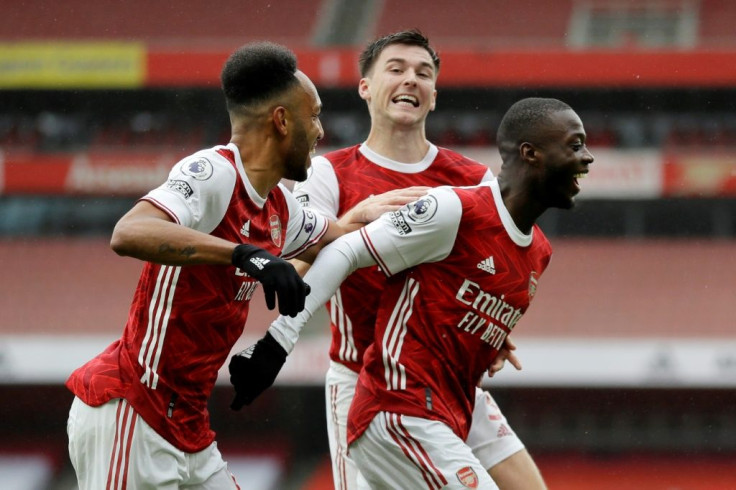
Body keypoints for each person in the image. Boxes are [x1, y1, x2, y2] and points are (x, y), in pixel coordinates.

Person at [64, 41, 424, 490]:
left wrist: (386, 218)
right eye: (313, 116)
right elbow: (130, 232)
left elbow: (342, 245)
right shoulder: (213, 172)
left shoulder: (280, 208)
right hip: (131, 410)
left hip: (190, 428)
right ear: (281, 120)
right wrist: (244, 254)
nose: (321, 131)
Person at [228, 32, 547, 490]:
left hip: (448, 381)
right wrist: (353, 220)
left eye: (423, 73)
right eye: (396, 69)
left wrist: (491, 331)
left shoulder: (474, 180)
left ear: (434, 95)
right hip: (362, 385)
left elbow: (490, 271)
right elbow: (291, 277)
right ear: (365, 87)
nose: (411, 80)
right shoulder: (327, 173)